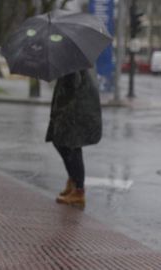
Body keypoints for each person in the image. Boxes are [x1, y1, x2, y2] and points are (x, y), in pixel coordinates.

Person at [45, 69, 102, 208]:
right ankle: (73, 181)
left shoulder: (73, 64)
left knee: (72, 146)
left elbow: (73, 84)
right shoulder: (70, 62)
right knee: (62, 143)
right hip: (70, 110)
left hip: (76, 111)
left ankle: (78, 192)